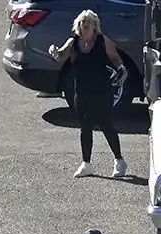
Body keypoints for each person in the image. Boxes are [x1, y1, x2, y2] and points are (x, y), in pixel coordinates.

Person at [47, 10, 127, 178]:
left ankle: (119, 161)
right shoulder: (73, 42)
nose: (85, 25)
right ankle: (86, 163)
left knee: (106, 124)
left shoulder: (103, 41)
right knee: (85, 127)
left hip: (102, 91)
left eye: (88, 22)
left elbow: (115, 58)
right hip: (81, 92)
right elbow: (61, 56)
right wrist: (54, 52)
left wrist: (121, 69)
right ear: (78, 26)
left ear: (95, 26)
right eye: (83, 22)